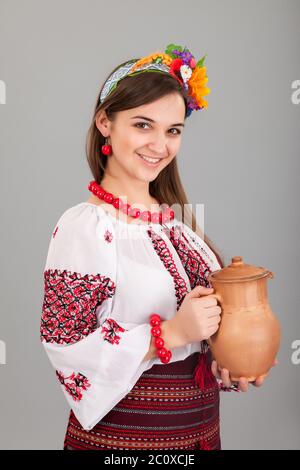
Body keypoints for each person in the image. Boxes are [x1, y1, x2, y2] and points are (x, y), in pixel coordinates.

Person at [39, 43, 277, 451]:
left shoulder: (179, 227)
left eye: (173, 130)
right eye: (143, 125)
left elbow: (199, 342)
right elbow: (64, 341)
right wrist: (171, 331)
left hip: (198, 434)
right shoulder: (86, 227)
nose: (159, 145)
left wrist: (229, 363)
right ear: (105, 123)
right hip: (126, 443)